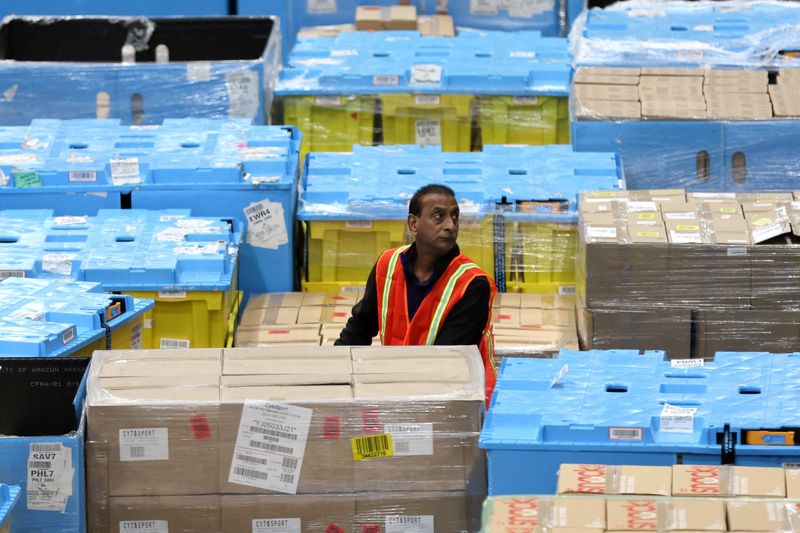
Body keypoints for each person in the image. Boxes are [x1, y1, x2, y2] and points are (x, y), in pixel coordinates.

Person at [336, 183, 498, 402]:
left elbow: (447, 362)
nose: (451, 225)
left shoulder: (472, 283)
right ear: (414, 224)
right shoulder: (388, 264)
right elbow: (360, 327)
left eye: (455, 216)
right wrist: (334, 376)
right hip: (400, 390)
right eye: (439, 216)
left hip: (455, 398)